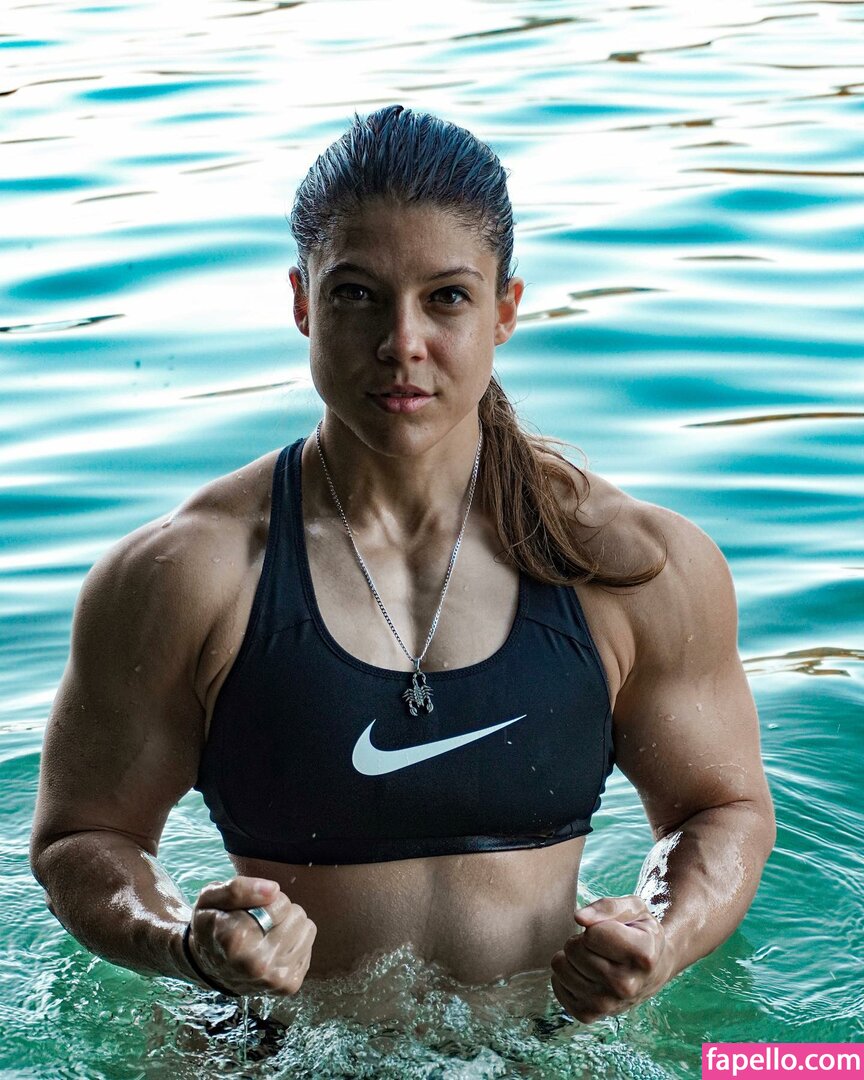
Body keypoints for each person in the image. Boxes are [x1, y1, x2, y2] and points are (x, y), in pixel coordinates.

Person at [30, 105, 775, 1024]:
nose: (402, 343)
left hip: (547, 1050)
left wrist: (662, 932)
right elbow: (84, 836)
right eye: (356, 295)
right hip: (273, 1058)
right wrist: (185, 941)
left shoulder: (626, 567)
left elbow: (721, 808)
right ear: (302, 302)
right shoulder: (183, 577)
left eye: (447, 298)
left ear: (506, 309)